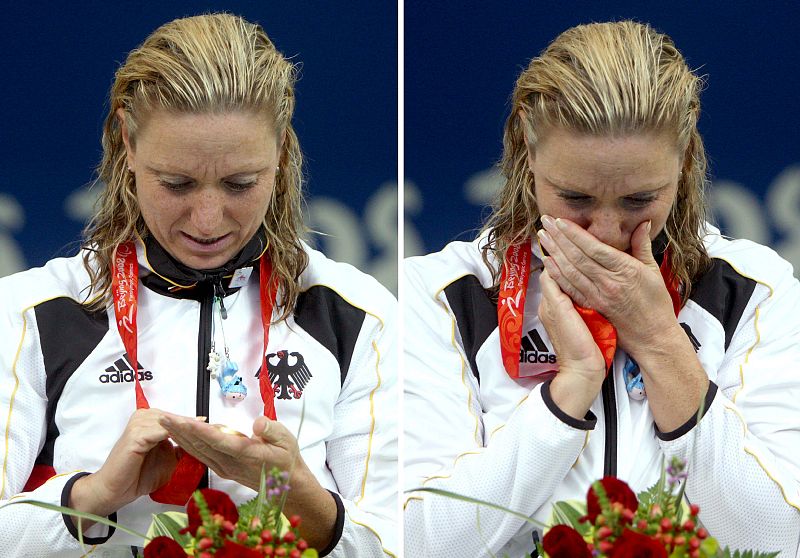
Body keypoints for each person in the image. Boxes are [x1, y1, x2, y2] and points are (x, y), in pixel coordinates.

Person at [0, 13, 397, 557]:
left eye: (240, 183)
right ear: (127, 144)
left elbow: (410, 539)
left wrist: (298, 497)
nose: (207, 220)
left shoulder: (357, 316)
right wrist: (90, 497)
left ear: (281, 150)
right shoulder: (32, 315)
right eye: (177, 183)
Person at [403, 21, 800, 557]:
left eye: (639, 201)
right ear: (528, 147)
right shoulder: (442, 296)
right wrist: (570, 390)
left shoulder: (752, 290)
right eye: (575, 199)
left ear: (684, 159)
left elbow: (778, 535)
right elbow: (420, 543)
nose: (608, 233)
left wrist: (660, 341)